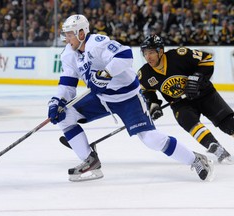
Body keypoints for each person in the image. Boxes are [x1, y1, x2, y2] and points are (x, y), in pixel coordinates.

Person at [47, 14, 213, 182]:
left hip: (128, 98)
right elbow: (67, 84)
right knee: (64, 116)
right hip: (101, 97)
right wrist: (56, 101)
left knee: (150, 139)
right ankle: (90, 162)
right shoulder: (69, 54)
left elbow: (125, 55)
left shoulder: (97, 43)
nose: (66, 39)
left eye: (69, 34)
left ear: (81, 33)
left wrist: (106, 73)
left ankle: (196, 160)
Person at [137, 34, 233, 164]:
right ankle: (214, 147)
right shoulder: (145, 74)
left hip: (204, 93)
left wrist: (196, 79)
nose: (148, 57)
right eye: (145, 53)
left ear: (160, 51)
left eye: (151, 52)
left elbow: (206, 60)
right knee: (188, 120)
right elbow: (146, 90)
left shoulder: (179, 55)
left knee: (227, 122)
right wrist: (153, 104)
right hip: (180, 103)